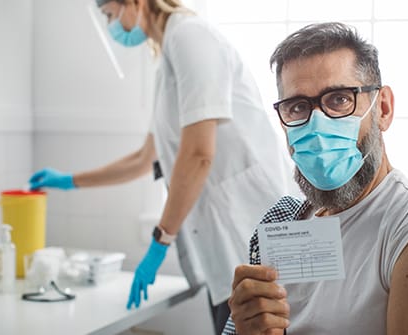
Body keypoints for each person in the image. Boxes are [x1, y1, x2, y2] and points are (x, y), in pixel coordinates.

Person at [28, 1, 294, 334]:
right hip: (227, 253)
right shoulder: (167, 60)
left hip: (252, 233)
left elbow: (198, 154)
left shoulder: (191, 37)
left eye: (109, 14)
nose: (112, 26)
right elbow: (144, 159)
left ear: (135, 3)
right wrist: (70, 181)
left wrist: (160, 240)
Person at [224, 22, 408, 335]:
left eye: (338, 99)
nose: (319, 127)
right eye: (298, 106)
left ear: (384, 109)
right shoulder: (284, 225)